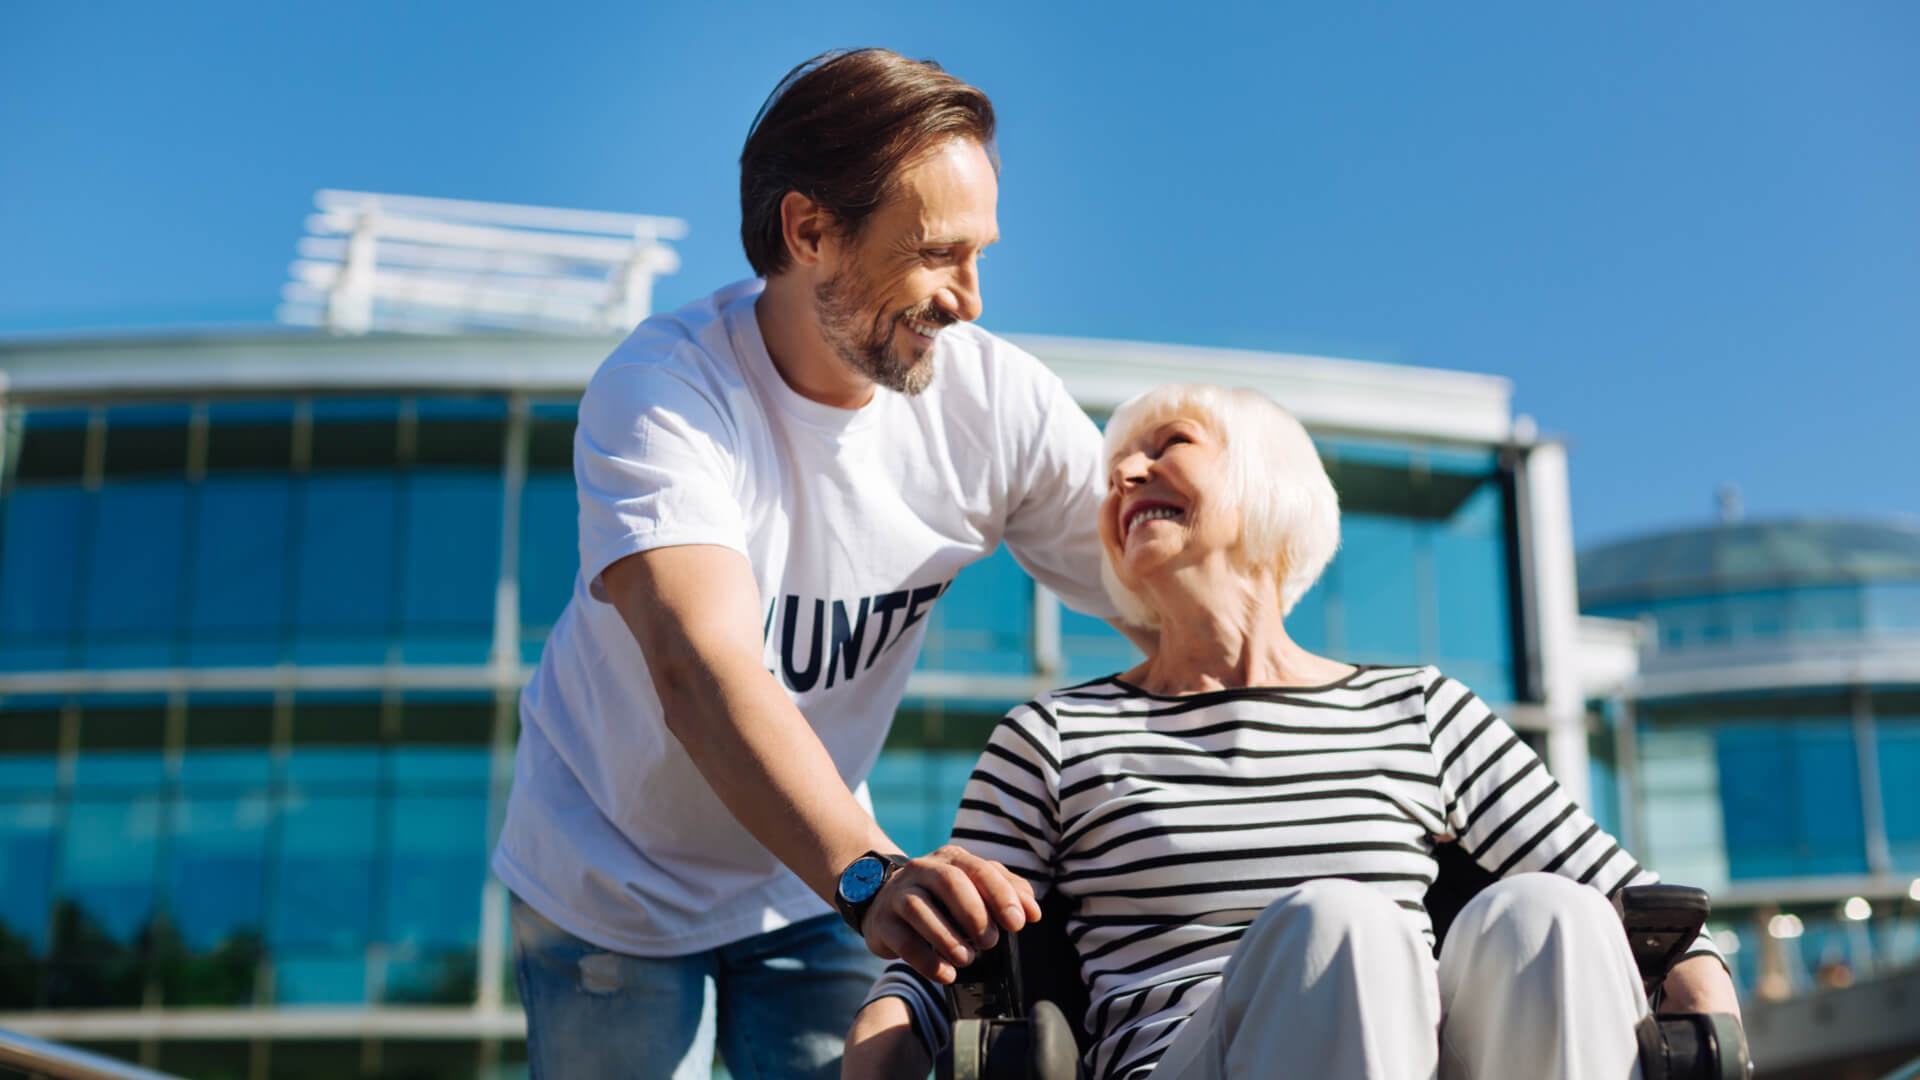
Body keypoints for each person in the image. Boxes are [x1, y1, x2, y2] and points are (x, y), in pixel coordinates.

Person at [491, 49, 1138, 1078]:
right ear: (808, 231)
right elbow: (701, 672)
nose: (968, 300)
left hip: (807, 884)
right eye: (935, 254)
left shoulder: (995, 404)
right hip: (610, 883)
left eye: (982, 254)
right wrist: (871, 879)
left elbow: (1161, 596)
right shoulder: (663, 394)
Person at [844, 383, 1742, 1080]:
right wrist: (881, 1043)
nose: (1122, 476)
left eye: (1168, 447)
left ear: (1264, 480)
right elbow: (945, 952)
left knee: (1554, 912)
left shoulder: (1420, 710)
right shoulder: (1057, 735)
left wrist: (1711, 1008)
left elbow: (1631, 903)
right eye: (1115, 467)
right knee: (1339, 923)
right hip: (1181, 1063)